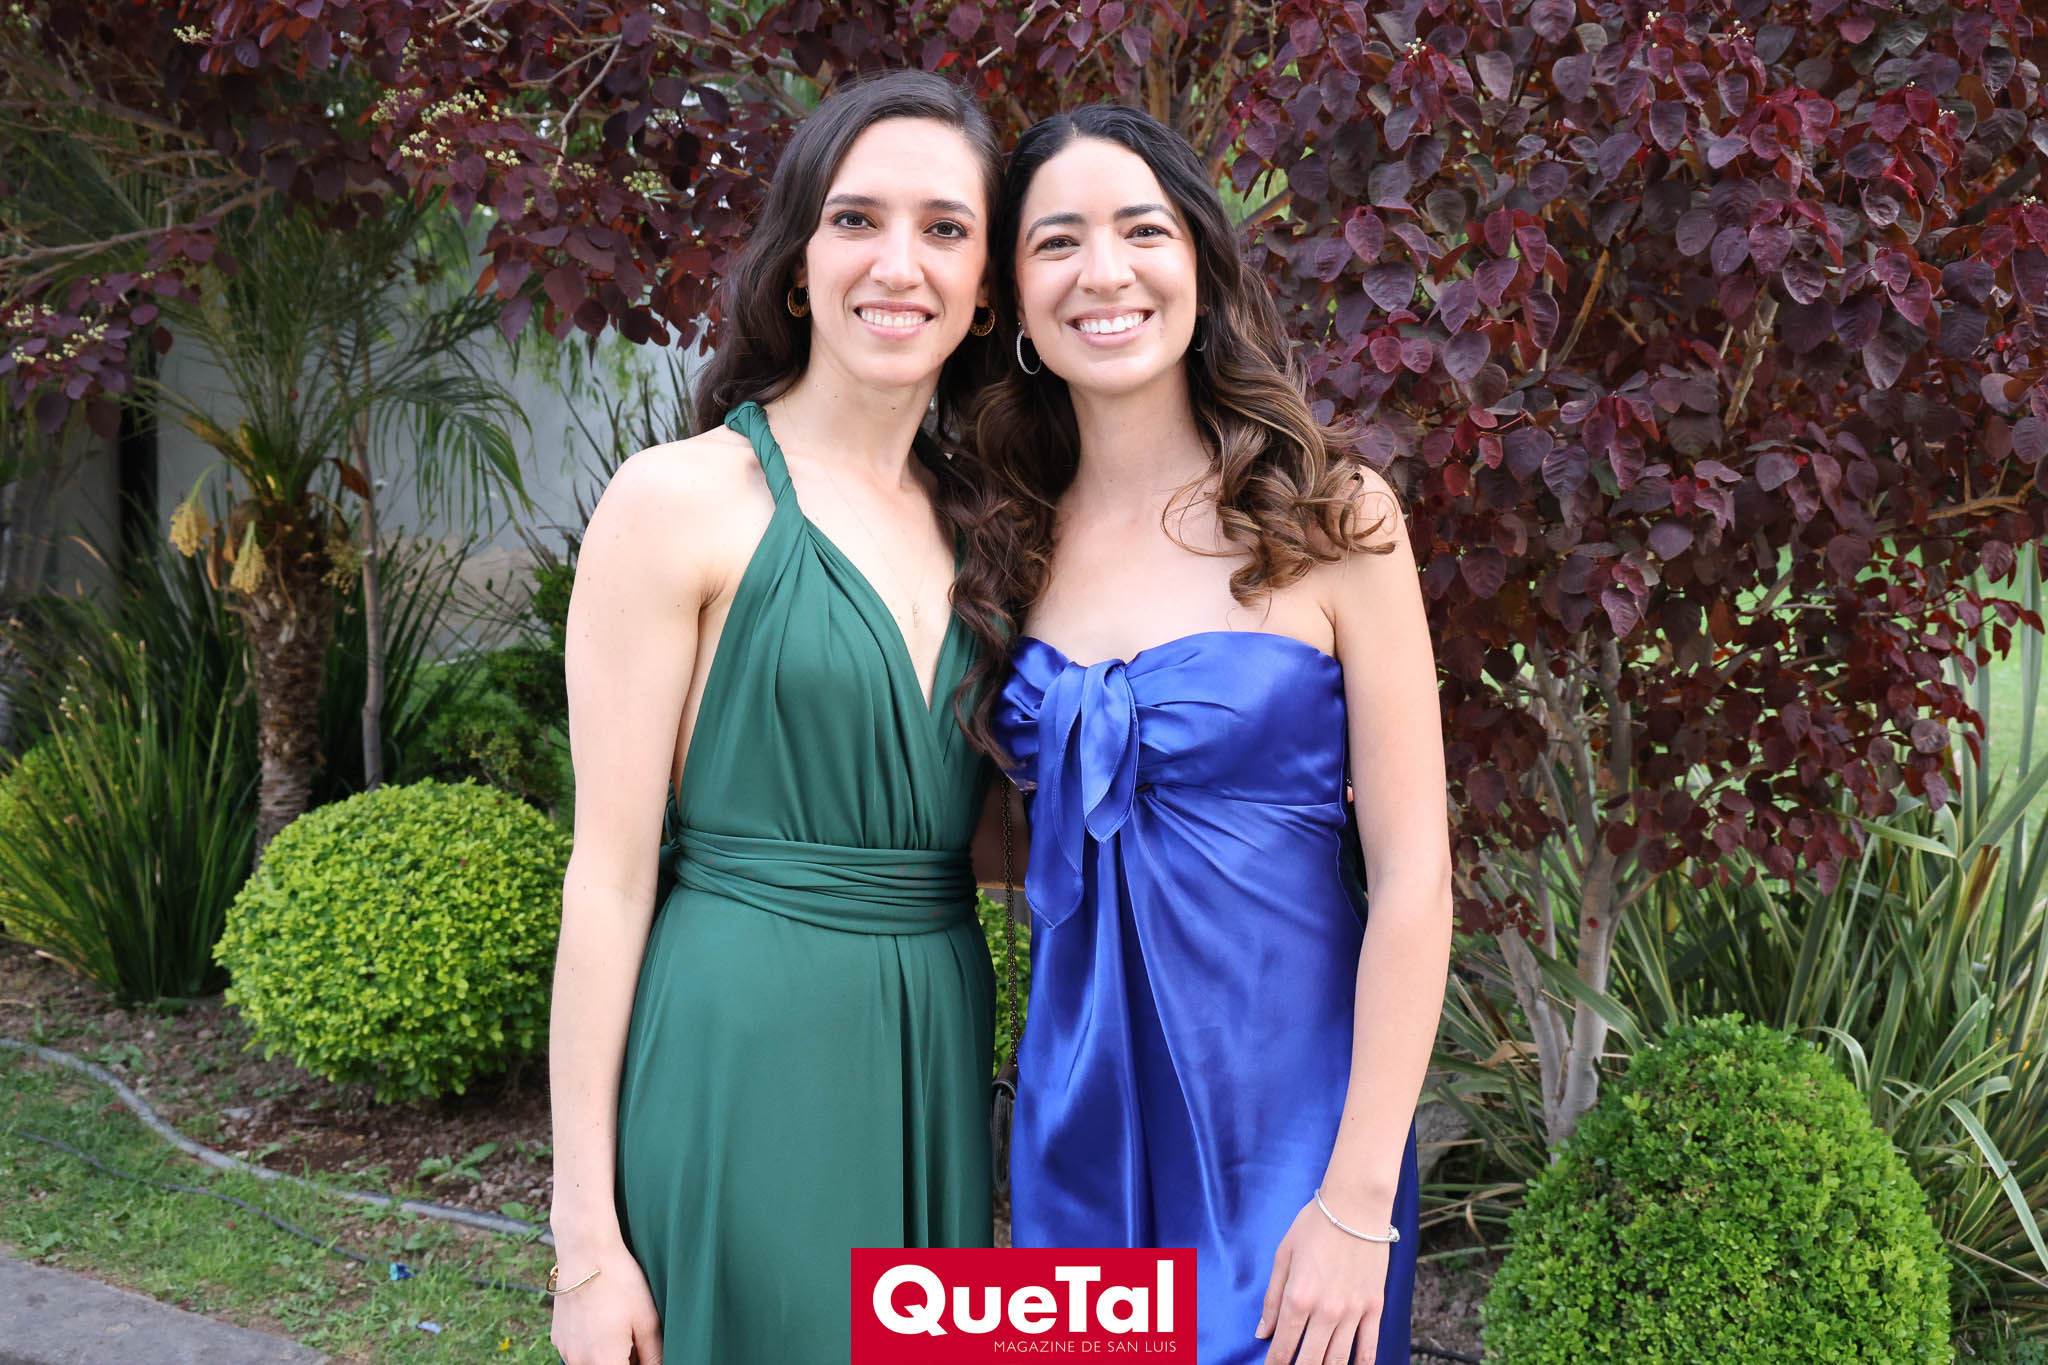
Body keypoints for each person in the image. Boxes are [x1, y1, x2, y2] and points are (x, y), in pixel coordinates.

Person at [953, 105, 1453, 1365]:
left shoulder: (1331, 516)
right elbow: (980, 844)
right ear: (1015, 301)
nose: (1103, 271)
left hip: (1291, 1127)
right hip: (1075, 1107)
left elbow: (1413, 878)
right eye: (1056, 241)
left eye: (1141, 230)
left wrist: (1357, 1199)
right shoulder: (998, 544)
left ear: (1198, 264)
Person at [547, 71, 1004, 1365]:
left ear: (984, 288)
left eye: (945, 228)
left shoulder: (994, 527)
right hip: (740, 1051)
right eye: (856, 219)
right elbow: (607, 879)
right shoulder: (678, 501)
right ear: (798, 262)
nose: (898, 264)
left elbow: (997, 839)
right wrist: (585, 1240)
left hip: (933, 1039)